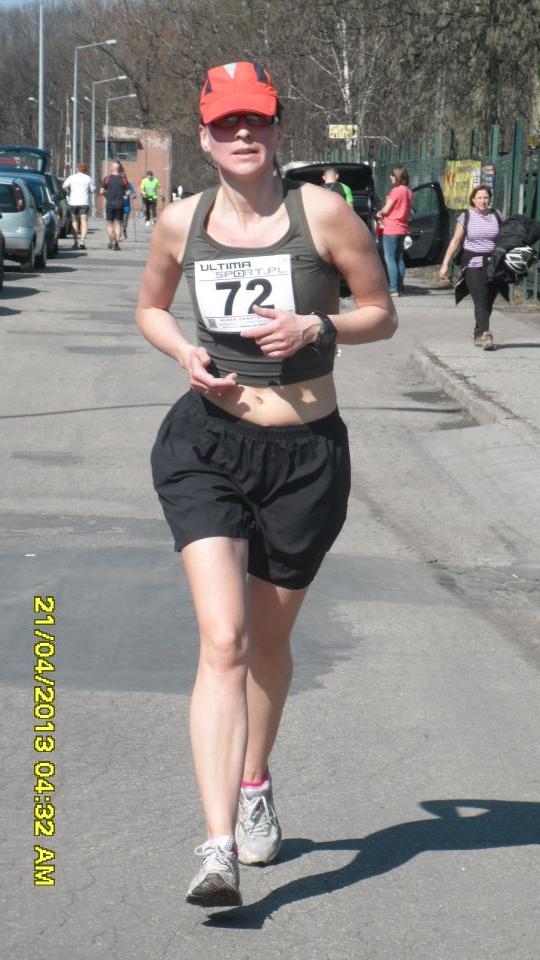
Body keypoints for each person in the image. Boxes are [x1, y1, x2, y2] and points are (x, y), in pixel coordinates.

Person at [135, 60, 397, 909]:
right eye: (226, 124)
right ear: (205, 135)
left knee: (270, 642)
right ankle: (218, 850)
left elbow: (381, 312)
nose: (242, 134)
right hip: (207, 444)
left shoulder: (324, 213)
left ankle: (254, 780)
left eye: (255, 120)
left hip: (305, 457)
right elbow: (150, 308)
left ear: (277, 127)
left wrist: (318, 325)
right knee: (225, 639)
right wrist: (185, 352)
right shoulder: (180, 221)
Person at [438, 184, 502, 350]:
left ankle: (478, 332)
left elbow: (503, 239)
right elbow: (455, 241)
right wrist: (445, 264)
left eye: (486, 197)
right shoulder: (466, 217)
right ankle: (486, 335)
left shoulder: (496, 215)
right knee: (480, 297)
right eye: (479, 197)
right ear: (473, 199)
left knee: (488, 300)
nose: (483, 201)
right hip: (472, 263)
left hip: (492, 263)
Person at [376, 165, 413, 297]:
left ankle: (393, 289)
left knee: (390, 259)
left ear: (397, 176)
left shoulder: (396, 191)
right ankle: (400, 287)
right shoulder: (408, 191)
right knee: (399, 259)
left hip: (391, 228)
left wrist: (380, 212)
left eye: (392, 175)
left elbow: (387, 209)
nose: (390, 177)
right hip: (402, 228)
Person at [62, 161, 95, 250]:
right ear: (85, 169)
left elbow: (64, 186)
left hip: (73, 202)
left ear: (77, 168)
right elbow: (93, 190)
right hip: (84, 202)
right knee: (84, 222)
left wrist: (68, 192)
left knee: (74, 221)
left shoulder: (72, 177)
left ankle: (75, 241)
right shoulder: (88, 178)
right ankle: (82, 241)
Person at [100, 161, 129, 250]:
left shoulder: (106, 179)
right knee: (118, 224)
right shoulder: (123, 179)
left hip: (110, 204)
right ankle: (116, 243)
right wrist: (123, 194)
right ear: (119, 169)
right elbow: (128, 192)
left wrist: (107, 195)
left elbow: (101, 191)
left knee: (109, 223)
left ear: (112, 168)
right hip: (120, 204)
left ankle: (111, 237)